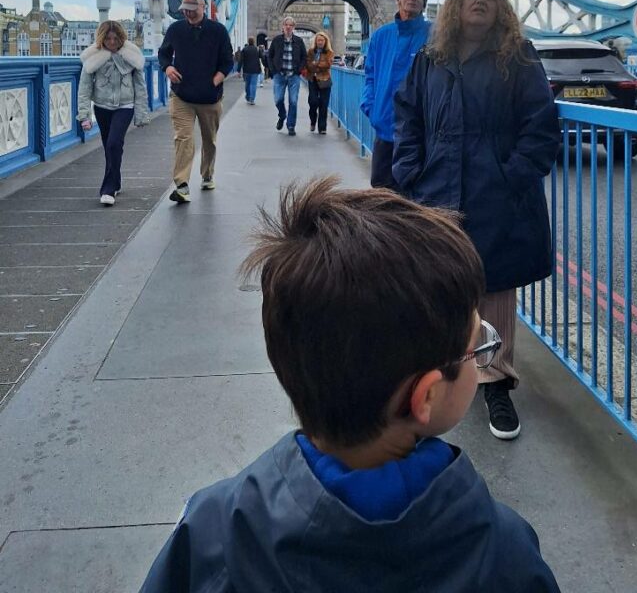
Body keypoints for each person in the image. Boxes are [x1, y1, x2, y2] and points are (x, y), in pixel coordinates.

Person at [139, 178, 561, 593]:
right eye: (477, 349)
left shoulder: (211, 532)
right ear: (427, 396)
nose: (482, 354)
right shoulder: (505, 553)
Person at [393, 0, 560, 441]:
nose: (481, 1)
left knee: (495, 287)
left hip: (494, 188)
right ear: (455, 5)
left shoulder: (518, 57)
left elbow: (541, 125)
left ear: (501, 8)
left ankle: (496, 383)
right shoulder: (431, 56)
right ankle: (441, 372)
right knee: (441, 283)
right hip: (436, 185)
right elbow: (407, 116)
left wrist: (511, 176)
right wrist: (409, 169)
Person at [158, 0, 233, 204]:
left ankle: (207, 174)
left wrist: (215, 81)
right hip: (181, 95)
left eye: (192, 10)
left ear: (202, 7)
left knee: (209, 140)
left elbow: (228, 61)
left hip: (210, 97)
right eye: (185, 11)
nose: (188, 14)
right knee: (183, 138)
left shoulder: (218, 31)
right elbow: (163, 53)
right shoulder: (175, 29)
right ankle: (181, 184)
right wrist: (168, 68)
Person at [361, 0, 431, 189]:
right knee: (381, 192)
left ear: (424, 5)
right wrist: (370, 107)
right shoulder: (381, 35)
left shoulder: (435, 34)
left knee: (414, 193)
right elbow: (370, 74)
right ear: (398, 0)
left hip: (420, 130)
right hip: (384, 125)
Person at [77, 20, 149, 206]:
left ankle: (108, 190)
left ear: (121, 38)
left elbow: (140, 87)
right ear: (101, 39)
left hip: (125, 106)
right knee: (110, 147)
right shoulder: (93, 57)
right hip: (101, 107)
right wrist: (84, 115)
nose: (111, 42)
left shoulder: (132, 55)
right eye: (107, 38)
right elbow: (84, 89)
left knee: (113, 143)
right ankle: (115, 181)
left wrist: (141, 114)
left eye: (115, 38)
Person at [267, 15, 307, 136]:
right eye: (286, 25)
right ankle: (282, 115)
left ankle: (291, 126)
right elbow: (269, 56)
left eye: (290, 25)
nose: (288, 27)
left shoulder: (299, 41)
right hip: (279, 75)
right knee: (278, 99)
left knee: (293, 101)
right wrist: (273, 71)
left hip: (294, 76)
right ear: (282, 27)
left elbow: (304, 57)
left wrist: (299, 70)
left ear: (293, 27)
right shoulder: (276, 40)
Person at [305, 30, 333, 134]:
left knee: (323, 104)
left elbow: (328, 65)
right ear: (315, 42)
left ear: (325, 42)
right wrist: (319, 64)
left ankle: (322, 128)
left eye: (322, 40)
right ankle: (313, 121)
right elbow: (308, 65)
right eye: (318, 40)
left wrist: (315, 64)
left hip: (325, 80)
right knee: (313, 102)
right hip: (312, 79)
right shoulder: (311, 52)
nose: (320, 42)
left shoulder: (330, 52)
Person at [239, 36, 262, 104]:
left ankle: (248, 96)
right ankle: (252, 98)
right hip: (255, 69)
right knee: (253, 84)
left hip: (246, 70)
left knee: (247, 84)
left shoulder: (244, 49)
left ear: (248, 42)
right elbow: (262, 57)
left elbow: (241, 60)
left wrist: (238, 70)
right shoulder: (257, 49)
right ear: (254, 42)